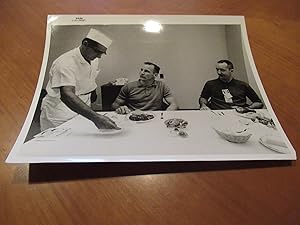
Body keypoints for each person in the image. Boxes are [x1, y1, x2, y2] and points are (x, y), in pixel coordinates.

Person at [40, 28, 120, 131]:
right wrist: (96, 118)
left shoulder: (92, 58)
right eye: (97, 51)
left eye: (102, 53)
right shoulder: (65, 63)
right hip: (61, 110)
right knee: (61, 142)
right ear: (85, 43)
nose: (99, 56)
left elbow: (88, 78)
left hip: (82, 107)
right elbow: (67, 95)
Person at [112, 62, 178, 114]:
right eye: (141, 70)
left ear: (155, 75)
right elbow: (115, 105)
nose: (142, 73)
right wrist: (120, 108)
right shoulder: (128, 86)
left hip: (155, 117)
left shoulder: (162, 85)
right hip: (134, 117)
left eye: (146, 71)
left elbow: (173, 104)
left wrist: (166, 113)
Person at [199, 60, 263, 110]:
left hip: (239, 114)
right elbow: (203, 98)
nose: (219, 72)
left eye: (222, 70)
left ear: (231, 70)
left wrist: (247, 108)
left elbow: (258, 103)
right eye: (217, 69)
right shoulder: (210, 84)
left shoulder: (243, 85)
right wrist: (203, 105)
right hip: (217, 114)